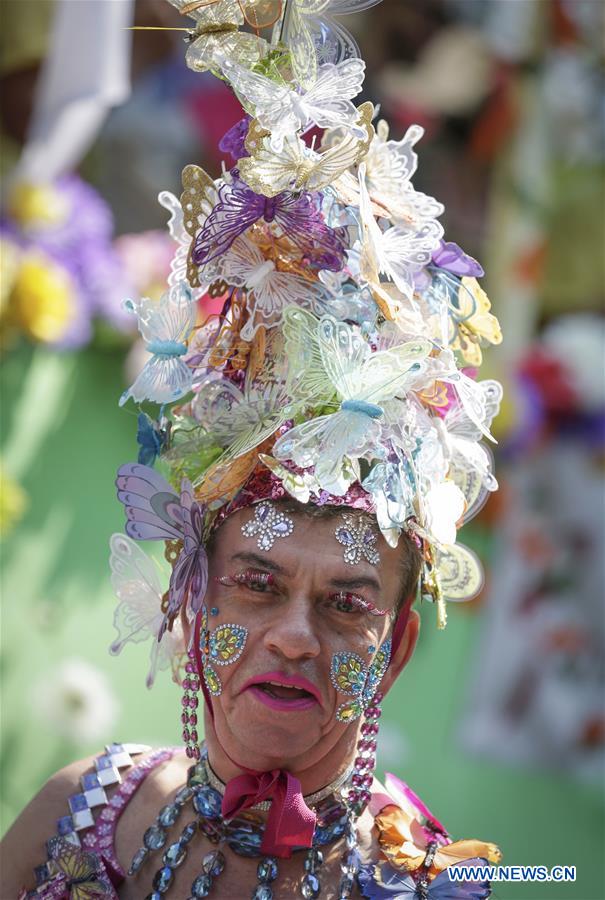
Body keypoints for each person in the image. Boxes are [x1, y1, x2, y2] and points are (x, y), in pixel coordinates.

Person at [1, 1, 504, 896]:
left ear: (394, 650)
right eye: (256, 584)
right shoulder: (77, 816)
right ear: (191, 598)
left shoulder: (422, 882)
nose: (292, 639)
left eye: (347, 606)